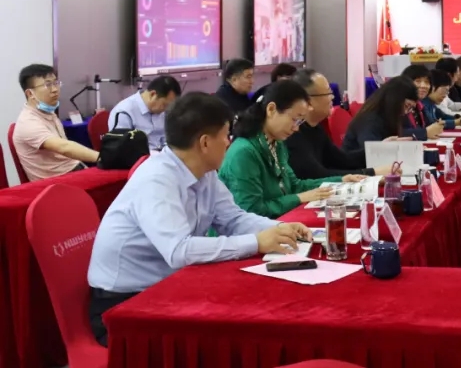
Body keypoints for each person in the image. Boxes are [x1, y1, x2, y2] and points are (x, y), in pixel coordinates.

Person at [86, 92, 312, 346]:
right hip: (124, 307)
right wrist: (256, 242)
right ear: (205, 143)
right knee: (232, 329)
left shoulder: (204, 172)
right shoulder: (157, 179)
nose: (229, 143)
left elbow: (232, 219)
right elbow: (179, 251)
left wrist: (280, 228)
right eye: (225, 135)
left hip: (168, 286)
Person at [219, 80, 364, 219]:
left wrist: (340, 180)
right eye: (294, 119)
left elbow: (294, 185)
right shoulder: (244, 152)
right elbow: (251, 210)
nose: (296, 128)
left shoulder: (276, 143)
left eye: (300, 121)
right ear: (271, 109)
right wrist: (298, 198)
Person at [285, 68, 399, 179]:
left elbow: (342, 160)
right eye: (328, 93)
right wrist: (372, 173)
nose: (333, 97)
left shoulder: (316, 128)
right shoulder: (292, 133)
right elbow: (317, 175)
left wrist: (380, 149)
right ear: (308, 101)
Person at [13, 64, 99, 181]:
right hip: (56, 182)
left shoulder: (48, 113)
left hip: (72, 171)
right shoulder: (28, 123)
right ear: (30, 93)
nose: (55, 89)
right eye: (48, 85)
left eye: (56, 83)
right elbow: (64, 147)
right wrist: (102, 157)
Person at [342, 76, 420, 153]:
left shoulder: (393, 115)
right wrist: (384, 147)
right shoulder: (370, 119)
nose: (406, 112)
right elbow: (371, 152)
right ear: (394, 99)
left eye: (410, 108)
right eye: (406, 106)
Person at [109, 75, 182, 151]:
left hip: (162, 155)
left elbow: (167, 140)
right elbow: (121, 149)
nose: (165, 109)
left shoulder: (161, 111)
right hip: (139, 156)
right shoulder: (124, 112)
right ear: (152, 94)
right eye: (165, 105)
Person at [400, 65, 447, 140]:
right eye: (418, 81)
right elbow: (395, 132)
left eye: (427, 82)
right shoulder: (399, 104)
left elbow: (430, 124)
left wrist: (437, 126)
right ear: (406, 82)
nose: (423, 86)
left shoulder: (419, 105)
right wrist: (425, 132)